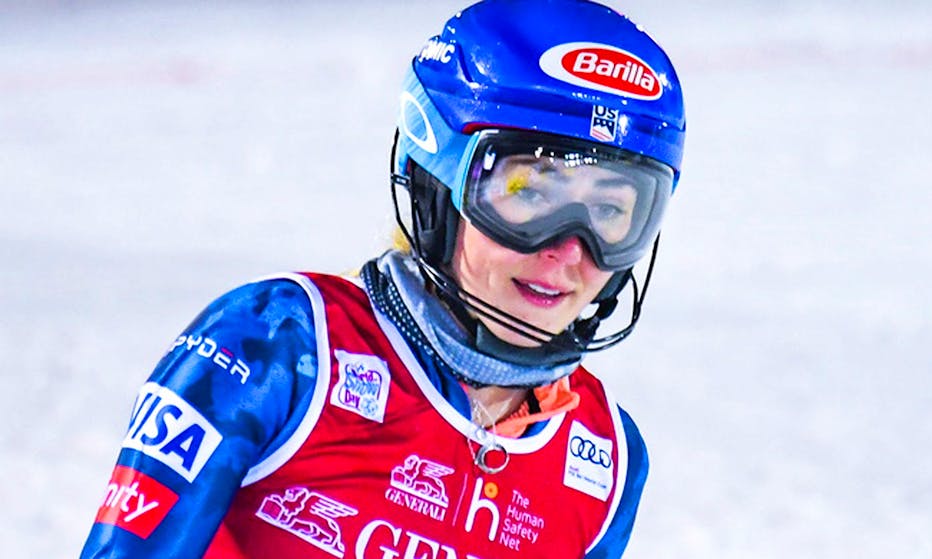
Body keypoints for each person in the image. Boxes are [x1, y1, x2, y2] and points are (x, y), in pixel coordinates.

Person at [79, 0, 685, 557]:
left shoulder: (604, 462)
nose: (567, 251)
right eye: (528, 193)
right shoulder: (281, 345)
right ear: (436, 186)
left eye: (610, 212)